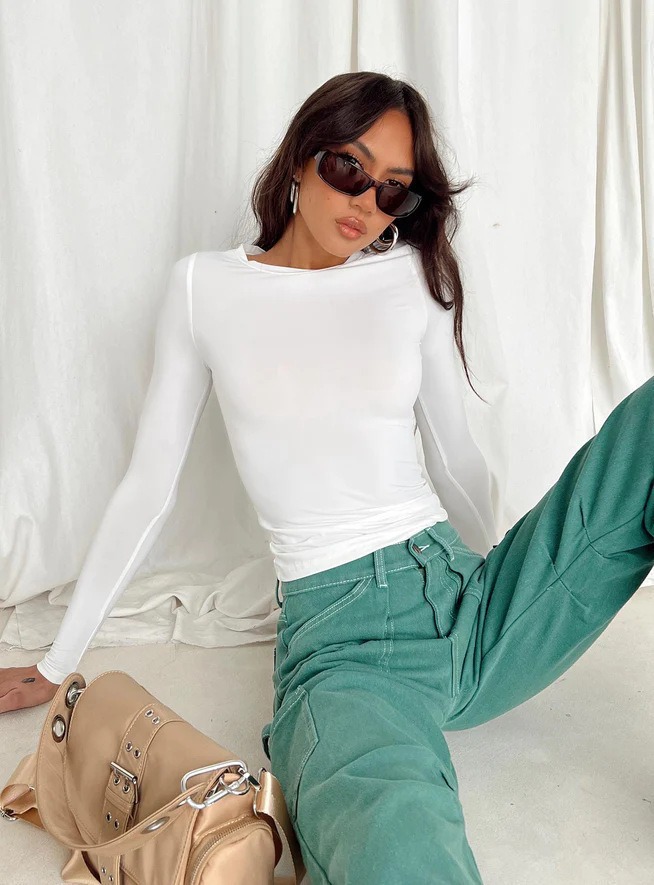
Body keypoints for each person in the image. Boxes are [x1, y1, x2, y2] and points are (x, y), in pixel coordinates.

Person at [1, 71, 652, 883]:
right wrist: (59, 659)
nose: (366, 203)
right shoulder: (205, 287)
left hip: (470, 596)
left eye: (392, 191)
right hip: (346, 651)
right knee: (400, 845)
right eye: (350, 168)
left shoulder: (408, 278)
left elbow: (456, 461)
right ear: (302, 157)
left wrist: (506, 582)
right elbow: (149, 486)